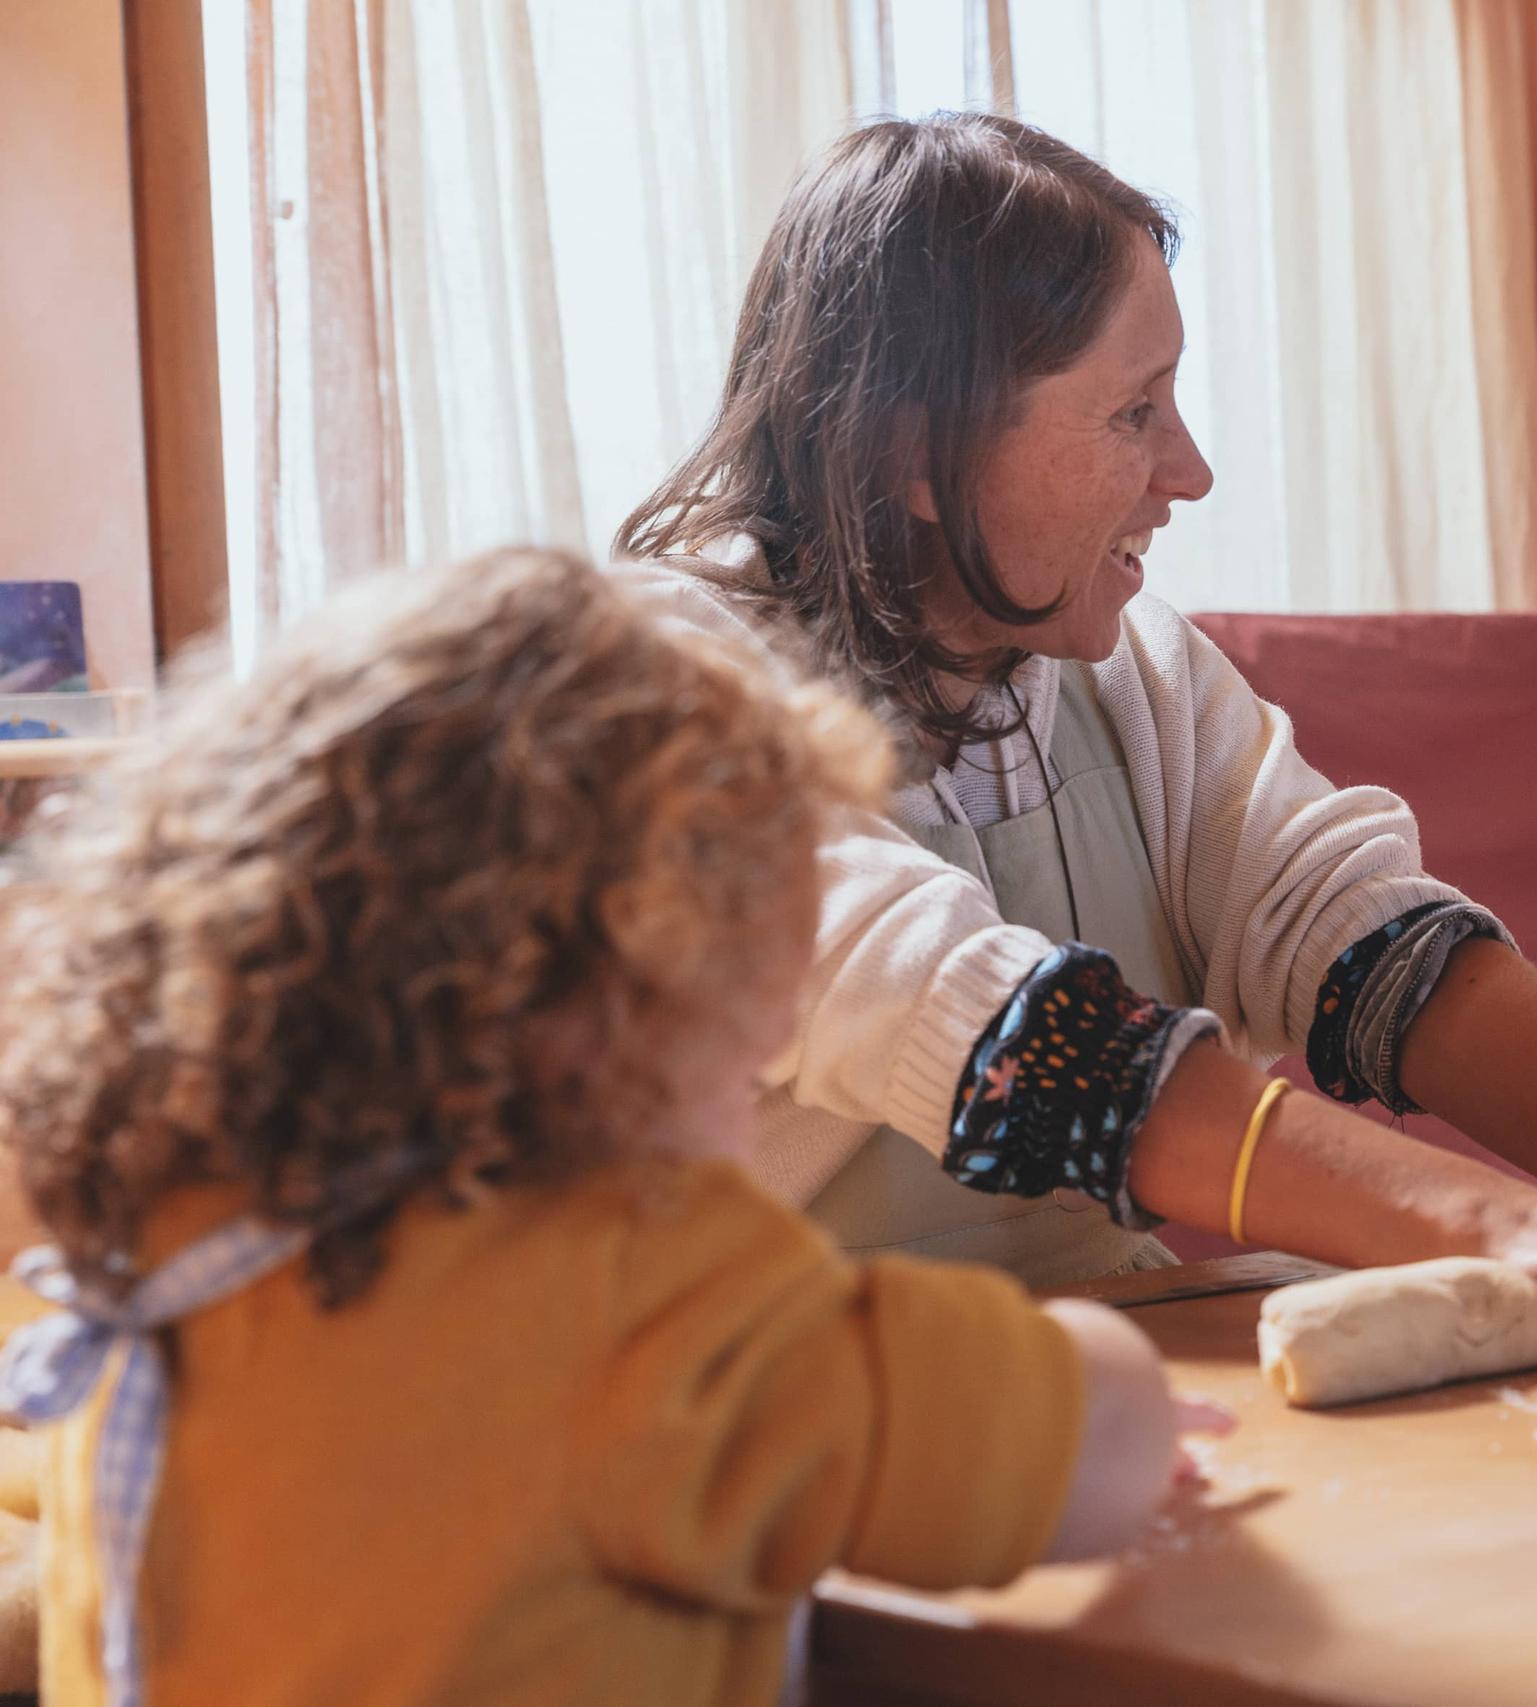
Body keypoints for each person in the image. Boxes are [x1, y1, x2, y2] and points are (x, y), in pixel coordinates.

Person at [618, 112, 1537, 1306]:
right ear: (914, 452)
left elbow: (1360, 937)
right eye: (1133, 412)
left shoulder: (1119, 668)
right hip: (759, 1431)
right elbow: (972, 1012)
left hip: (1074, 1381)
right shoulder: (665, 693)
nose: (1188, 469)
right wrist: (1510, 1223)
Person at [0, 551, 1219, 1706]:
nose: (753, 1111)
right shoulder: (643, 1302)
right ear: (605, 1014)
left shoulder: (150, 1267)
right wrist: (1110, 1375)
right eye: (744, 1068)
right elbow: (1085, 1456)